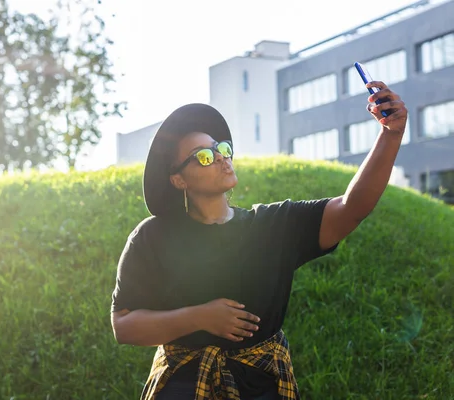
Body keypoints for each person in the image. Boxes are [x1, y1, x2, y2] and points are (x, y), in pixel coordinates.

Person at [110, 81, 408, 400]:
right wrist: (199, 317)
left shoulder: (272, 225)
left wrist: (390, 135)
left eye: (222, 148)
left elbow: (352, 208)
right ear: (178, 179)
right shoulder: (153, 236)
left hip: (263, 386)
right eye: (204, 157)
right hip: (183, 386)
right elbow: (124, 325)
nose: (222, 158)